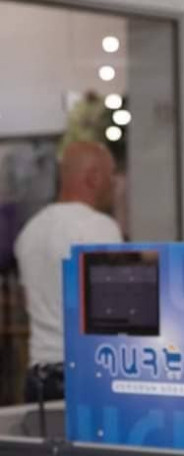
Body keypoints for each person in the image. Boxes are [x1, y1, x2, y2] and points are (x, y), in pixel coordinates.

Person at [14, 141, 123, 403]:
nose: (115, 184)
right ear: (93, 177)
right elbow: (116, 311)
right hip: (86, 374)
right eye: (111, 175)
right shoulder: (99, 228)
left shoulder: (31, 230)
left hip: (39, 377)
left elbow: (27, 302)